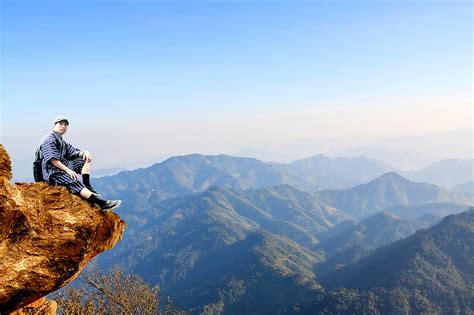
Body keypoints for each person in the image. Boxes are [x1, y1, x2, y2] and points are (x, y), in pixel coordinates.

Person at [39, 115, 121, 211]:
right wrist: (68, 170)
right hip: (52, 172)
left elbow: (73, 152)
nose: (63, 126)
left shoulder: (62, 141)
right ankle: (101, 203)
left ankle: (87, 185)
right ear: (54, 125)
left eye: (65, 125)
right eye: (60, 124)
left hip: (62, 166)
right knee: (72, 179)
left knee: (83, 159)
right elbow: (53, 160)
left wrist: (84, 153)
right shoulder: (48, 139)